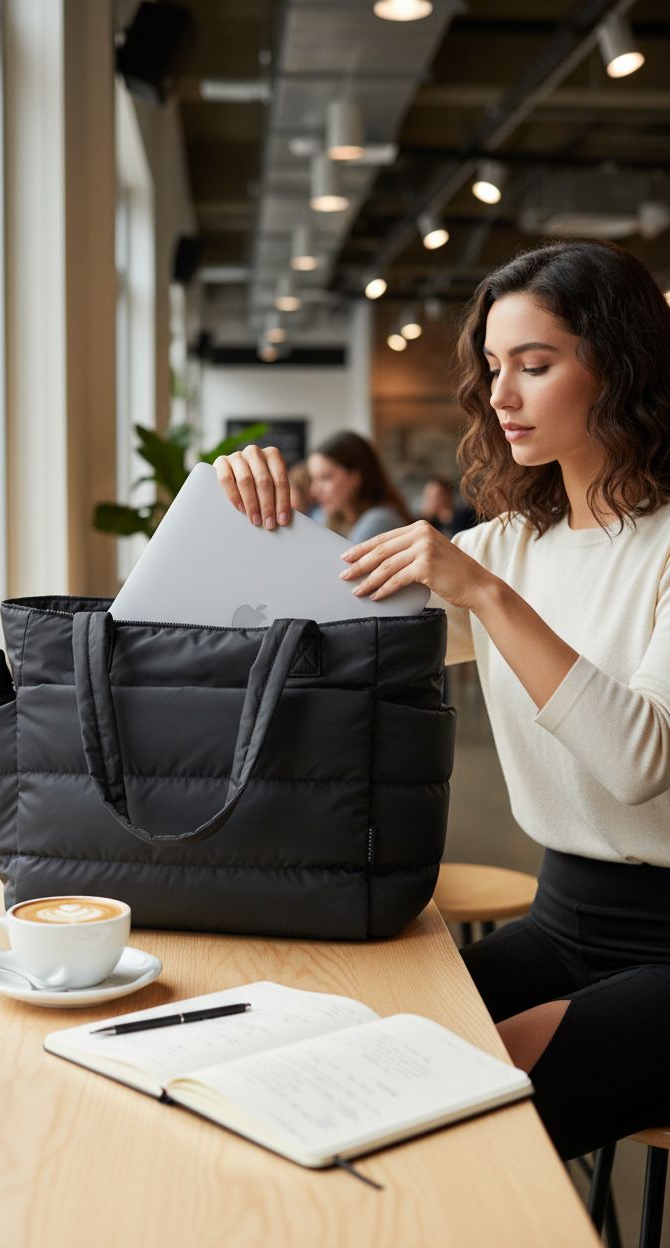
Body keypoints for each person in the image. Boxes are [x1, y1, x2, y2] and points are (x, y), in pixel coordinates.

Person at [213, 238, 670, 1161]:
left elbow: (639, 764)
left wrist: (488, 595)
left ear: (618, 369)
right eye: (495, 368)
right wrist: (243, 514)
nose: (501, 397)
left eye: (534, 367)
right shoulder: (509, 544)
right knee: (360, 1055)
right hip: (563, 917)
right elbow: (308, 638)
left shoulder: (577, 558)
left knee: (450, 1110)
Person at [306, 431, 412, 541]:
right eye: (313, 479)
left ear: (356, 475)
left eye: (325, 478)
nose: (314, 490)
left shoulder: (380, 519)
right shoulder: (327, 517)